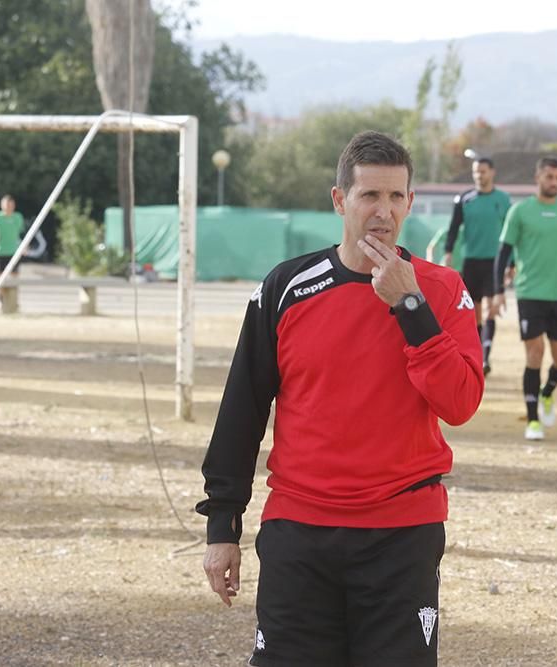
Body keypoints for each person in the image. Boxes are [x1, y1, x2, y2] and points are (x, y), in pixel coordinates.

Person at [197, 131, 484, 666]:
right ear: (339, 200)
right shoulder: (285, 287)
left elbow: (461, 402)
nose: (384, 211)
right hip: (300, 532)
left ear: (411, 203)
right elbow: (241, 412)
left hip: (402, 534)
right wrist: (223, 527)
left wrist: (410, 307)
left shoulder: (441, 290)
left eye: (397, 197)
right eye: (369, 196)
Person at [492, 156, 557, 441]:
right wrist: (498, 291)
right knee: (534, 353)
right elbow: (503, 253)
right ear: (538, 178)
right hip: (529, 293)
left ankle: (547, 393)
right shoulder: (520, 212)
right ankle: (533, 420)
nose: (554, 182)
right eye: (549, 177)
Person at [443, 157, 512, 376]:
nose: (478, 175)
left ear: (492, 173)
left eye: (482, 171)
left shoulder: (503, 199)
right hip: (471, 261)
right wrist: (448, 252)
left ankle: (486, 355)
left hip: (495, 262)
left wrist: (512, 263)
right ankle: (479, 355)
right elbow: (453, 227)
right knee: (474, 312)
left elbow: (510, 235)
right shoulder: (465, 199)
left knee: (492, 308)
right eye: (475, 172)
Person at [0, 194, 24, 275]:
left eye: (11, 205)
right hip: (0, 250)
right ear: (2, 205)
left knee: (15, 273)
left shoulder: (18, 217)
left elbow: (22, 232)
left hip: (14, 250)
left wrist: (25, 245)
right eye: (7, 205)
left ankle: (13, 287)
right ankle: (1, 288)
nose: (9, 207)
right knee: (0, 273)